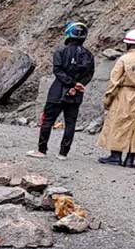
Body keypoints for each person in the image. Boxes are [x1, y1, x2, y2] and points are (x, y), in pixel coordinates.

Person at [27, 22, 95, 160]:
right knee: (70, 123)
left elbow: (57, 70)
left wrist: (71, 84)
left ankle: (42, 150)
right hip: (76, 93)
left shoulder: (60, 51)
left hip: (58, 90)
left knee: (48, 121)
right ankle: (63, 153)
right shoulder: (88, 55)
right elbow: (89, 74)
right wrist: (78, 85)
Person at [97, 29, 135, 167]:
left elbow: (114, 81)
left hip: (125, 94)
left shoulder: (124, 59)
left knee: (119, 123)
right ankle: (130, 159)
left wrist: (108, 99)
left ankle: (115, 156)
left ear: (128, 44)